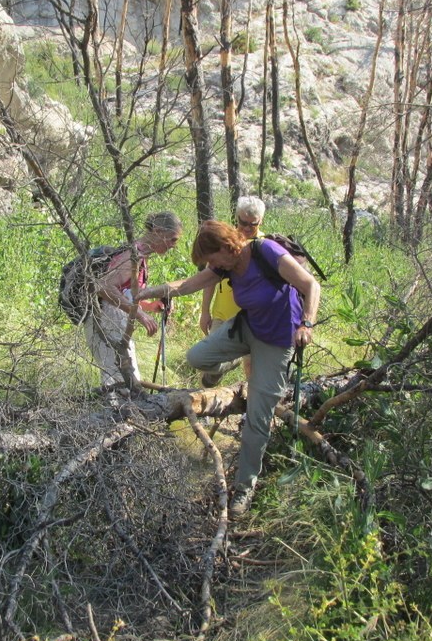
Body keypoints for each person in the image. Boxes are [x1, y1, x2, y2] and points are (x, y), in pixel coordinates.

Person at [137, 220, 321, 518]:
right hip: (247, 327)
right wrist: (141, 294)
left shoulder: (266, 252)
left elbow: (311, 285)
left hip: (278, 341)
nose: (211, 265)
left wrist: (307, 324)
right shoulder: (225, 265)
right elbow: (184, 286)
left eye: (212, 258)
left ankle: (244, 487)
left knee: (258, 417)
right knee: (198, 357)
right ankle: (234, 358)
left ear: (226, 247)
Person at [85, 211, 183, 391]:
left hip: (114, 320)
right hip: (104, 321)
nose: (173, 245)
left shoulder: (141, 255)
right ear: (158, 231)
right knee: (117, 379)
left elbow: (124, 294)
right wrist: (139, 314)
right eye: (172, 239)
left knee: (123, 378)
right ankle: (117, 418)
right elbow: (104, 287)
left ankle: (121, 416)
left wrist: (150, 306)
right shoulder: (133, 255)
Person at [198, 195, 266, 387]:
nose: (245, 228)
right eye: (242, 222)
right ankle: (202, 406)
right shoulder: (225, 242)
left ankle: (251, 410)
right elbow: (209, 279)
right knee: (211, 368)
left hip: (252, 321)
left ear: (260, 221)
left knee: (252, 370)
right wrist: (205, 311)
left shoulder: (264, 245)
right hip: (222, 314)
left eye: (252, 224)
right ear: (236, 217)